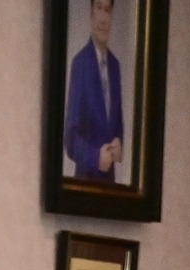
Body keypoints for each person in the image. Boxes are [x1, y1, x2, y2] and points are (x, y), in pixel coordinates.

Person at [63, 0, 123, 182]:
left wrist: (119, 143)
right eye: (99, 8)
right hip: (85, 182)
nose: (103, 18)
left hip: (110, 186)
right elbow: (70, 139)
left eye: (108, 10)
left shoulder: (115, 66)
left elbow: (117, 124)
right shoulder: (80, 64)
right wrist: (95, 157)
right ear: (91, 13)